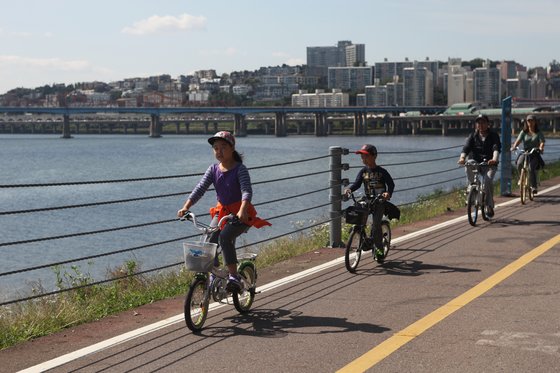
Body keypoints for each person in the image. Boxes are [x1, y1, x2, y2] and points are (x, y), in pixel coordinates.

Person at [177, 131, 270, 292]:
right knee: (209, 238)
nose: (219, 151)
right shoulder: (213, 169)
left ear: (232, 148)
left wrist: (242, 210)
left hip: (241, 213)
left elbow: (246, 191)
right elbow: (200, 188)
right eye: (215, 148)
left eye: (223, 148)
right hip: (222, 213)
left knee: (225, 237)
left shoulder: (240, 169)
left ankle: (233, 276)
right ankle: (215, 273)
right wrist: (186, 207)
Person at [344, 144, 395, 260]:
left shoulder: (382, 171)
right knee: (359, 218)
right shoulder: (363, 171)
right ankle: (364, 237)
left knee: (376, 225)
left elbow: (391, 184)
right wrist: (349, 189)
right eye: (362, 157)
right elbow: (357, 184)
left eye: (365, 156)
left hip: (380, 201)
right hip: (368, 200)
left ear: (374, 156)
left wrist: (388, 193)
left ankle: (379, 249)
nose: (363, 159)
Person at [457, 114, 501, 217]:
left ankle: (489, 205)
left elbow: (496, 148)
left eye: (483, 122)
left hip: (489, 163)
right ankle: (472, 188)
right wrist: (462, 158)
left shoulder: (494, 135)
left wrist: (494, 159)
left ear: (488, 124)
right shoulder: (473, 136)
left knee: (487, 181)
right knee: (469, 164)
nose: (480, 125)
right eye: (478, 123)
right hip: (476, 162)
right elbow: (466, 147)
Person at [510, 114, 545, 194]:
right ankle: (521, 178)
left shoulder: (538, 132)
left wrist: (541, 148)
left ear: (535, 122)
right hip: (525, 152)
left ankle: (534, 186)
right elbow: (518, 141)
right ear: (526, 122)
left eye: (532, 120)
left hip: (534, 152)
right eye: (528, 121)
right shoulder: (523, 132)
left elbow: (542, 142)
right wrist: (514, 147)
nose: (530, 122)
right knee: (519, 163)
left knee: (531, 168)